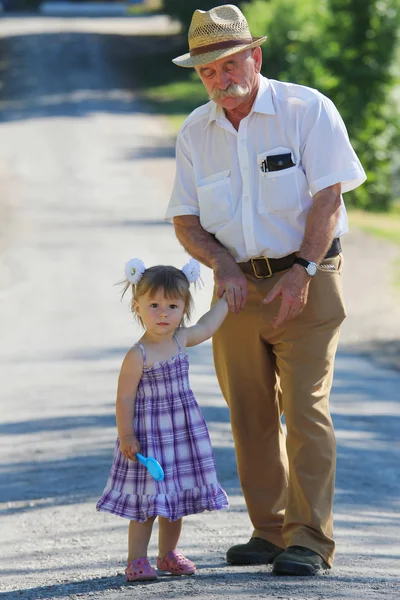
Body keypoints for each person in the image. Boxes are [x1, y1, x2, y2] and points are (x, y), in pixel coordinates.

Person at [165, 4, 366, 576]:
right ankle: (271, 530)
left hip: (308, 279)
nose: (219, 79)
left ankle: (310, 541)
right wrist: (221, 268)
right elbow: (186, 220)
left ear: (255, 56)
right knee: (249, 413)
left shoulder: (307, 110)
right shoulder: (195, 131)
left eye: (229, 64)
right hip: (234, 291)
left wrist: (302, 269)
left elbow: (329, 197)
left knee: (305, 411)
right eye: (207, 71)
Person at [96, 257, 229, 582]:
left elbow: (209, 326)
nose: (163, 313)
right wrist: (126, 435)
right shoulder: (137, 355)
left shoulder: (180, 339)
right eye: (153, 304)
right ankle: (137, 560)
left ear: (183, 309)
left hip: (181, 434)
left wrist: (227, 297)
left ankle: (168, 554)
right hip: (150, 438)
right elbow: (124, 398)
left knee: (177, 499)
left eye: (172, 305)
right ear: (137, 307)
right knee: (147, 503)